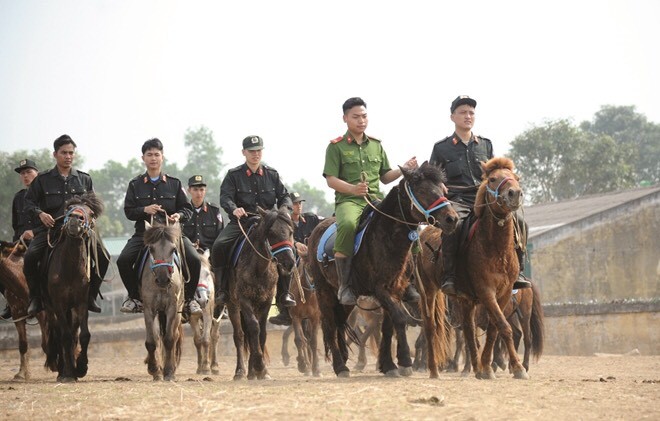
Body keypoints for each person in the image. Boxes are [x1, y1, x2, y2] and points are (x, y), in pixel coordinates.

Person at [429, 95, 532, 296]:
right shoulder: (441, 148)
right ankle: (450, 274)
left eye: (471, 113)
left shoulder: (485, 144)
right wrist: (439, 184)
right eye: (463, 112)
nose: (468, 116)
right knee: (455, 226)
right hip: (458, 200)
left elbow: (494, 174)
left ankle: (518, 271)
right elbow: (433, 177)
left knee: (520, 222)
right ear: (453, 117)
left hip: (485, 199)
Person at [323, 97, 420, 305]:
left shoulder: (376, 145)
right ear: (345, 118)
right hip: (349, 201)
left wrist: (404, 168)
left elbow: (385, 177)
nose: (361, 121)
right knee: (348, 225)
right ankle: (345, 285)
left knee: (409, 223)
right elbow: (331, 179)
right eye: (356, 117)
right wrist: (353, 189)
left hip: (376, 200)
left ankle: (407, 280)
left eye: (364, 116)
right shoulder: (336, 147)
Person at [23, 135, 109, 316]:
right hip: (51, 230)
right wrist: (40, 214)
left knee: (104, 256)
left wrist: (88, 217)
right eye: (64, 153)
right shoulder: (42, 179)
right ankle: (36, 298)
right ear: (55, 154)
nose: (68, 156)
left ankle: (91, 295)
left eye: (71, 153)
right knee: (30, 257)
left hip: (80, 230)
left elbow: (93, 206)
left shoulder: (84, 179)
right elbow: (28, 203)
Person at [117, 138, 203, 316]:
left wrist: (178, 215)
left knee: (194, 259)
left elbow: (187, 209)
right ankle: (134, 298)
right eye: (149, 155)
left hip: (171, 234)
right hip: (145, 234)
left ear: (162, 157)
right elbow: (128, 211)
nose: (153, 158)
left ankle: (189, 299)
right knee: (123, 260)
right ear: (143, 158)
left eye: (157, 154)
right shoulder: (135, 184)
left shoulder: (175, 183)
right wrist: (144, 209)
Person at [211, 135, 294, 318]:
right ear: (244, 153)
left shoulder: (272, 174)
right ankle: (222, 291)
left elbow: (285, 196)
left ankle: (284, 295)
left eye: (258, 151)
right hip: (242, 222)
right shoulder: (234, 175)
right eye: (251, 151)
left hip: (269, 223)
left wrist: (284, 210)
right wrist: (234, 209)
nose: (256, 154)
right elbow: (225, 197)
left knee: (287, 249)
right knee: (219, 246)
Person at [267, 192, 323, 326]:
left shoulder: (311, 219)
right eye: (296, 203)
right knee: (282, 273)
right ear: (289, 207)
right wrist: (295, 244)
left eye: (300, 203)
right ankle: (285, 311)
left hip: (311, 258)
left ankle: (331, 301)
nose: (299, 206)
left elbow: (322, 228)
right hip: (292, 258)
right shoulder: (283, 223)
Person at [1, 159, 39, 319]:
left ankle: (41, 298)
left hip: (42, 239)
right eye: (22, 173)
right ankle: (10, 303)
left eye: (28, 172)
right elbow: (16, 226)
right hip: (21, 244)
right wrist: (13, 247)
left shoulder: (44, 195)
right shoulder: (18, 197)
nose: (25, 176)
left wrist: (35, 232)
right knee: (4, 266)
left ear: (37, 173)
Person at [182, 175, 224, 252]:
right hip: (188, 253)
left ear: (205, 191)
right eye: (195, 190)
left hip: (211, 254)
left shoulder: (214, 211)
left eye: (202, 190)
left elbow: (220, 235)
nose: (199, 193)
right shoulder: (184, 211)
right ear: (189, 190)